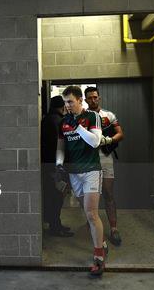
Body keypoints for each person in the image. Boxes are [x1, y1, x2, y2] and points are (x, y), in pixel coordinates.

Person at [55, 85, 106, 278]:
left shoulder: (92, 117)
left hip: (91, 170)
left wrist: (77, 126)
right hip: (74, 173)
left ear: (79, 101)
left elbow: (94, 141)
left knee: (92, 214)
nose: (67, 105)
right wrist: (59, 164)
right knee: (87, 213)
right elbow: (60, 147)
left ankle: (99, 258)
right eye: (65, 102)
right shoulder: (63, 123)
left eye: (70, 101)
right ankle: (101, 242)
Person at [85, 87, 124, 247]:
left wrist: (108, 140)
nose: (93, 100)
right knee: (90, 196)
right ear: (85, 100)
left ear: (99, 98)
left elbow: (120, 133)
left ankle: (114, 228)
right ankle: (93, 223)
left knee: (108, 193)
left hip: (105, 159)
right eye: (90, 98)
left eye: (95, 97)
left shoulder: (109, 115)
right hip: (88, 160)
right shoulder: (82, 117)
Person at [41, 96, 74, 237]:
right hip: (57, 167)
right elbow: (60, 146)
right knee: (57, 197)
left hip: (48, 165)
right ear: (62, 107)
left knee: (52, 196)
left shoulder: (46, 119)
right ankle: (55, 227)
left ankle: (55, 224)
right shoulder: (58, 121)